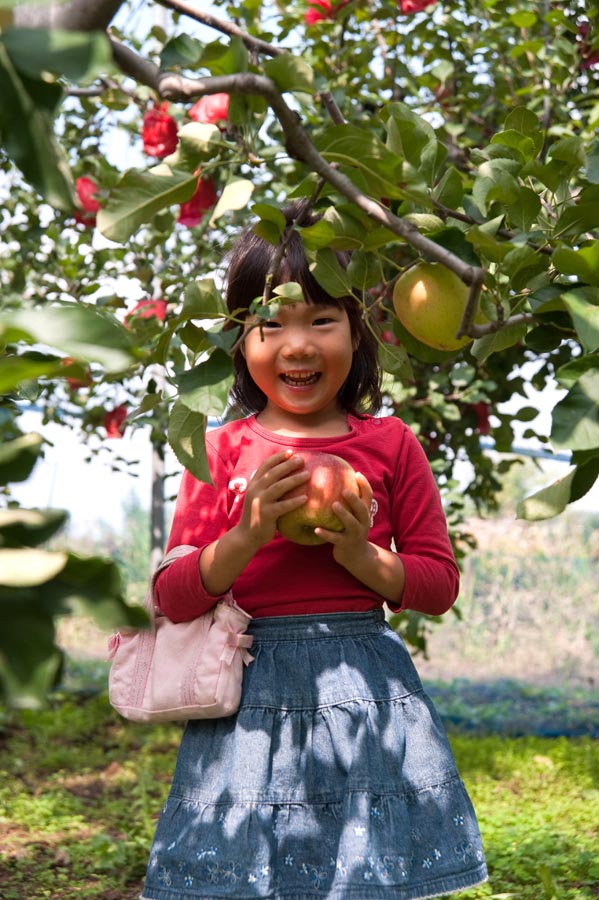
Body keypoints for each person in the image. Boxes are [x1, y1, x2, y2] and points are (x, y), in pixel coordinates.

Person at [141, 203, 488, 900]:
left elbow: (437, 584)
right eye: (270, 324)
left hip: (361, 695)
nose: (297, 345)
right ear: (239, 341)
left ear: (360, 333)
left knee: (361, 875)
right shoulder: (222, 450)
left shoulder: (390, 445)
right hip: (247, 698)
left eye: (322, 321)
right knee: (249, 874)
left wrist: (362, 555)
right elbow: (171, 595)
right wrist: (245, 535)